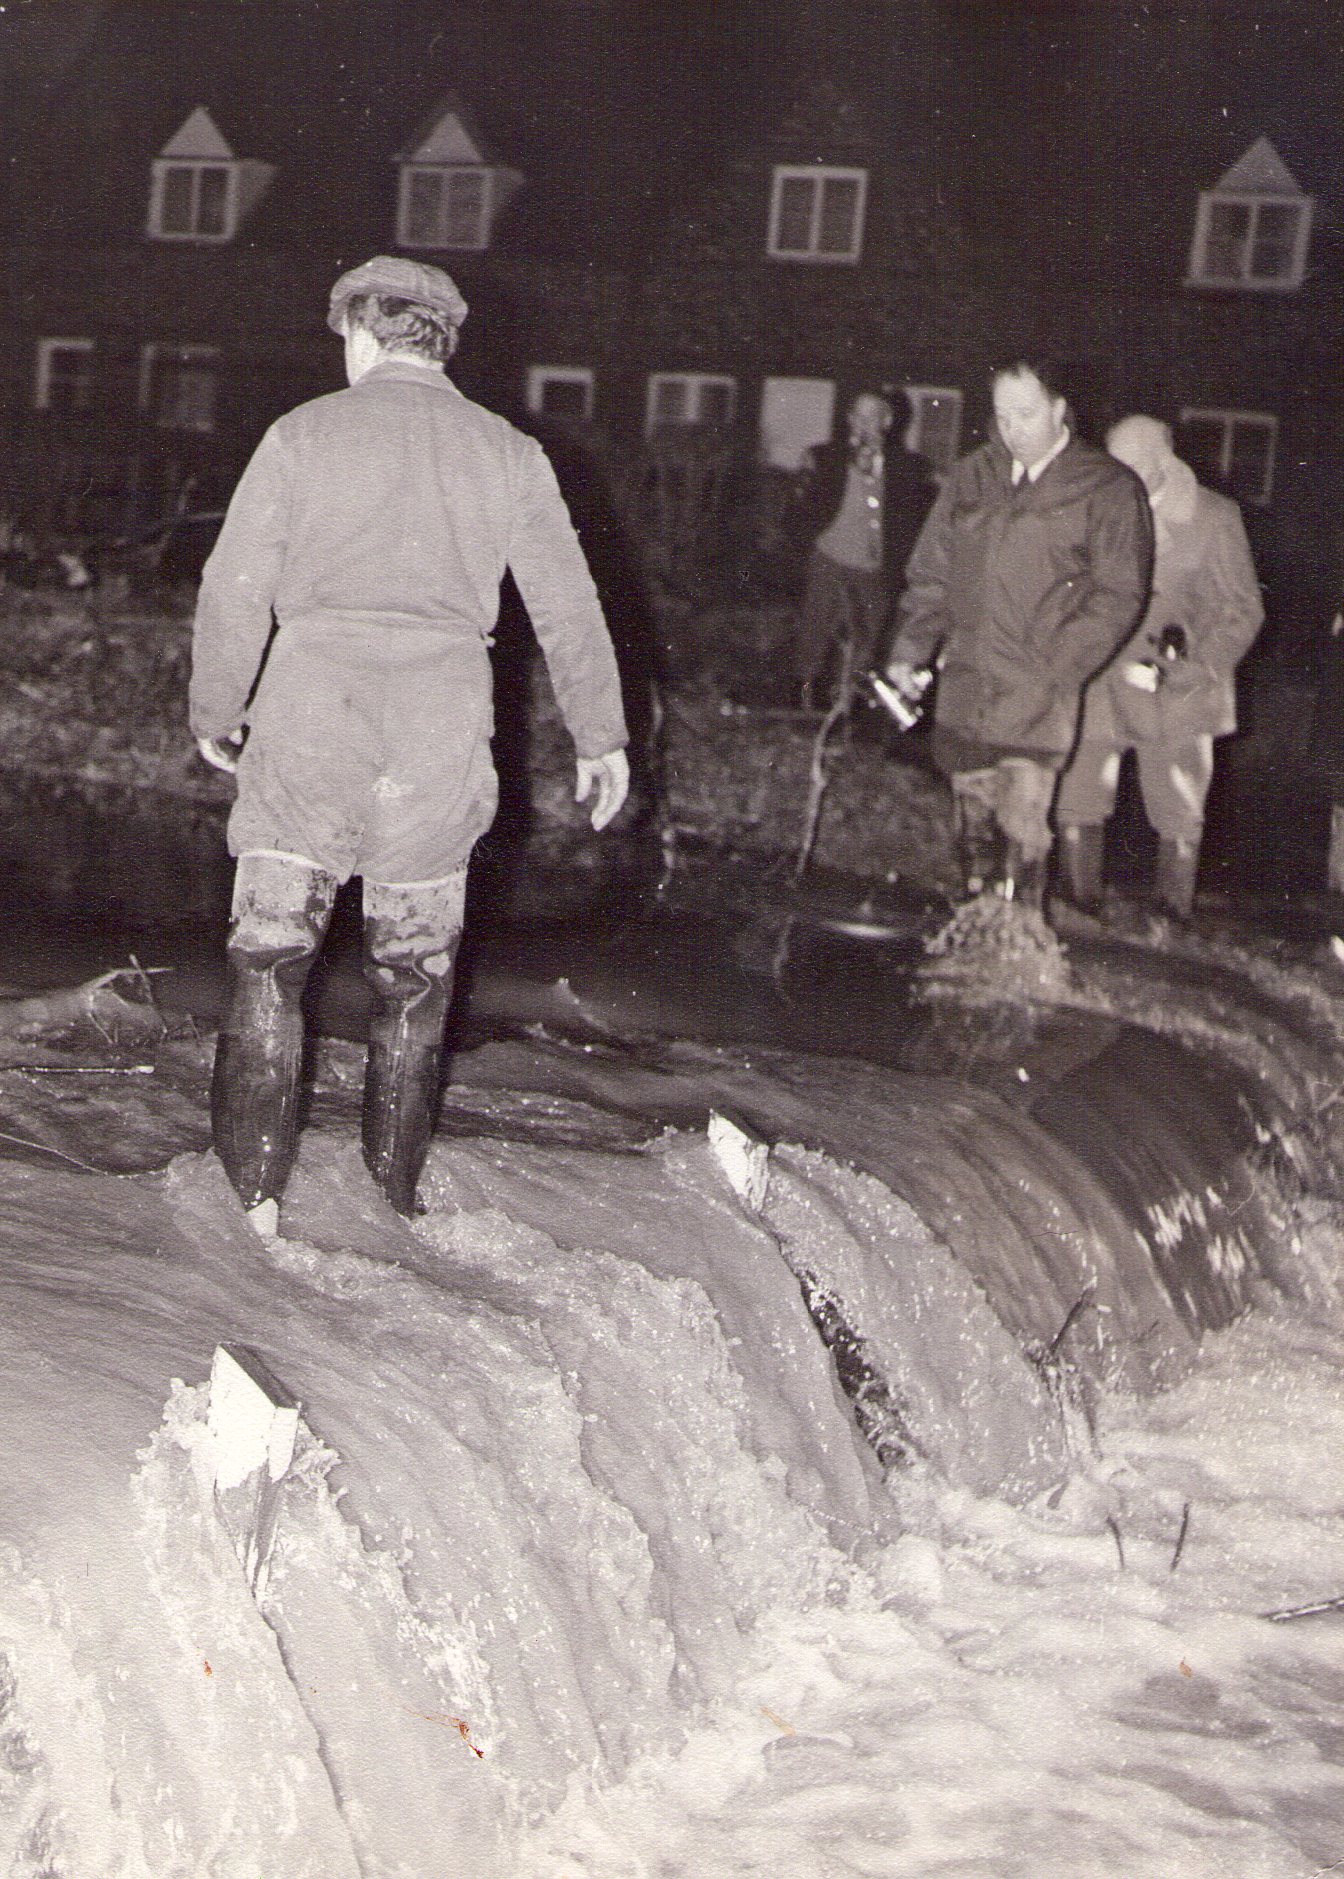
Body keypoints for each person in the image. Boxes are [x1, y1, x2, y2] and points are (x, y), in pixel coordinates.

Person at [190, 256, 629, 1226]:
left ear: (361, 334)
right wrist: (601, 734)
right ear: (443, 343)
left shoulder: (302, 433)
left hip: (314, 713)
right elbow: (569, 603)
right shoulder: (509, 451)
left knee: (270, 959)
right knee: (415, 978)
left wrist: (216, 708)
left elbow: (233, 587)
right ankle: (393, 1207)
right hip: (439, 728)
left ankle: (249, 1216)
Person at [882, 360, 1151, 908]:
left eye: (1026, 414)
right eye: (1002, 417)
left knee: (1021, 843)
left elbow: (1120, 594)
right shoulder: (972, 476)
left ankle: (1020, 945)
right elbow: (932, 573)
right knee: (972, 849)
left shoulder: (1107, 487)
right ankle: (972, 939)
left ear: (1058, 409)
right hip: (966, 693)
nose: (1012, 430)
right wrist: (910, 651)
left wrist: (1056, 666)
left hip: (1037, 702)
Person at [1055, 416, 1263, 921]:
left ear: (1164, 462)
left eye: (1133, 466)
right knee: (1078, 795)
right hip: (1101, 680)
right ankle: (1080, 914)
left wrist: (1193, 668)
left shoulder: (1213, 517)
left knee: (1178, 809)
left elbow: (1243, 611)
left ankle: (1170, 922)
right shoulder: (1093, 510)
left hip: (1177, 688)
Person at [791, 391, 934, 710]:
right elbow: (799, 508)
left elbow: (913, 520)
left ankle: (851, 704)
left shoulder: (907, 467)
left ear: (887, 421)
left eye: (871, 417)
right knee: (815, 629)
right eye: (857, 416)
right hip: (829, 557)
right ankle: (804, 700)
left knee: (869, 636)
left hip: (873, 567)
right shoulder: (824, 457)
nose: (862, 423)